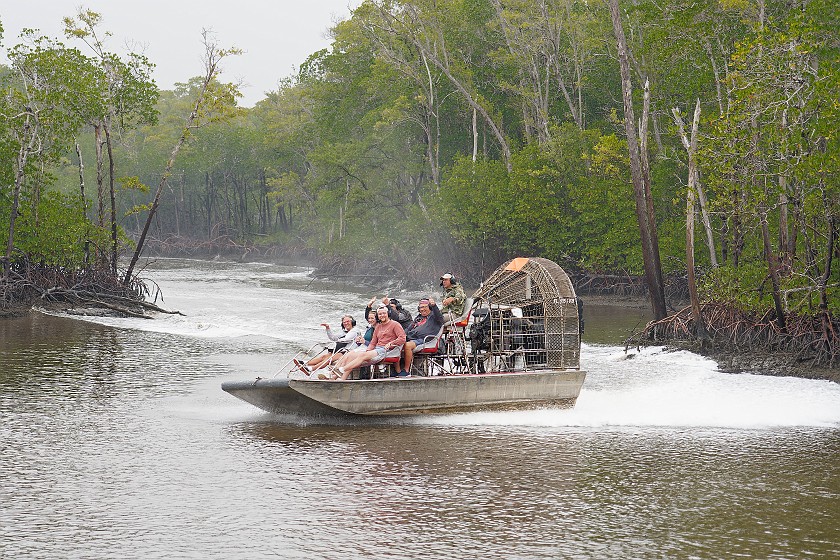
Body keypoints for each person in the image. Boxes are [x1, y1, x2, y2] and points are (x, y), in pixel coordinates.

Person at [328, 305, 405, 380]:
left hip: (387, 351)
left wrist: (391, 343)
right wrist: (368, 351)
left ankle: (342, 369)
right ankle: (341, 379)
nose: (382, 315)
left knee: (362, 355)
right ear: (378, 316)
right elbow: (373, 343)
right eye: (380, 314)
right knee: (350, 354)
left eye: (384, 313)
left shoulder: (395, 324)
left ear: (388, 314)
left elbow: (402, 338)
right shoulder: (378, 327)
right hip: (376, 349)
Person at [294, 315, 361, 373]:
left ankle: (311, 369)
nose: (346, 323)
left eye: (348, 321)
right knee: (324, 356)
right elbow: (333, 338)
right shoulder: (345, 331)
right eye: (344, 322)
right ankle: (304, 363)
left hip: (349, 352)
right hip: (342, 351)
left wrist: (336, 341)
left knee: (329, 359)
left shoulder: (355, 331)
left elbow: (346, 340)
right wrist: (328, 328)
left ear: (352, 322)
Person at [399, 297, 444, 376]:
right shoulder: (418, 318)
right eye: (420, 307)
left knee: (408, 345)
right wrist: (401, 336)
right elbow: (408, 329)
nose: (422, 309)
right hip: (412, 338)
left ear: (430, 307)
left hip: (426, 340)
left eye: (425, 307)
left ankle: (406, 370)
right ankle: (396, 370)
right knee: (396, 342)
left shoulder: (434, 316)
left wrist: (434, 305)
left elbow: (440, 317)